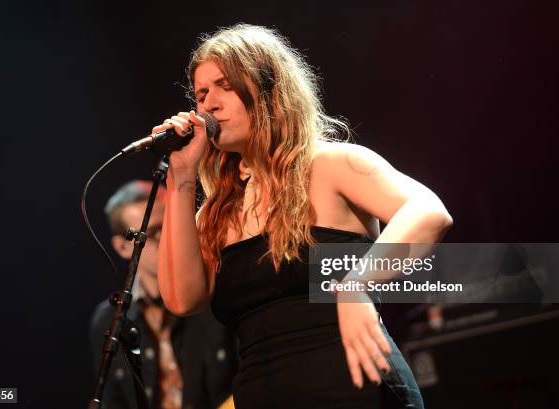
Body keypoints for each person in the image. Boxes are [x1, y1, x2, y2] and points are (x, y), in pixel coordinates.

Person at [156, 24, 453, 408]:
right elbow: (182, 299)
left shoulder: (331, 164)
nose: (208, 103)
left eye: (224, 85)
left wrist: (356, 283)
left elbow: (429, 211)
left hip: (352, 388)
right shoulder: (216, 213)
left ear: (268, 88)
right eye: (201, 93)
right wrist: (182, 177)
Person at [90, 180, 237, 409]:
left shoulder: (216, 292)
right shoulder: (107, 321)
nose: (167, 238)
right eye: (152, 233)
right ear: (122, 247)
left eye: (169, 226)